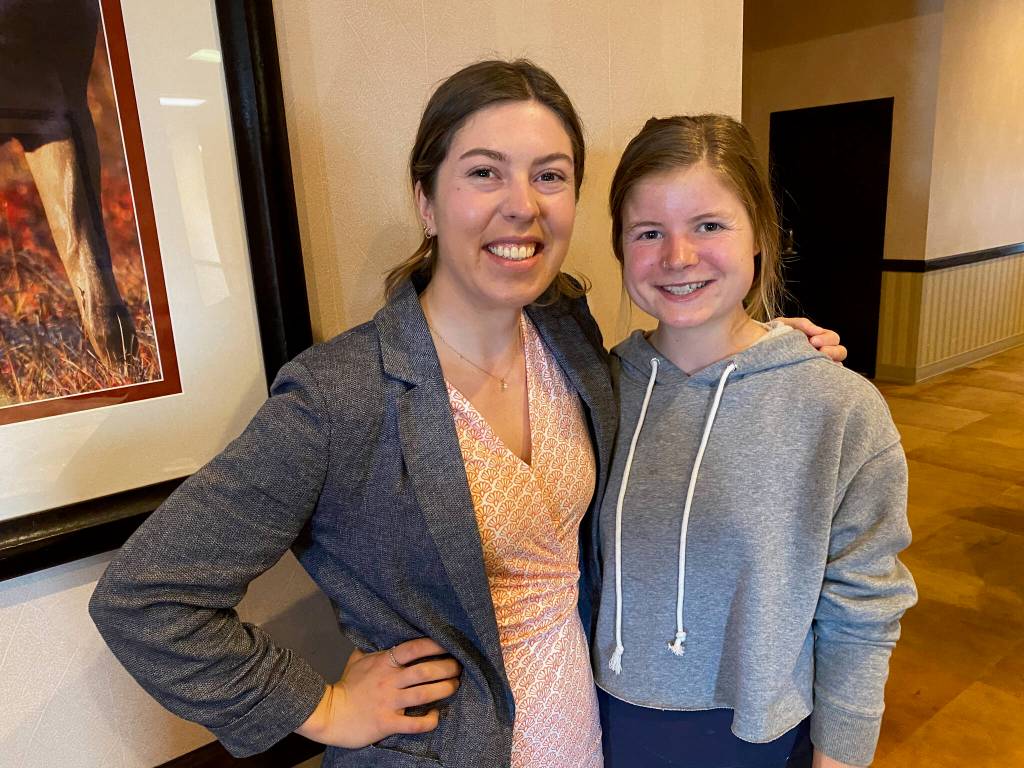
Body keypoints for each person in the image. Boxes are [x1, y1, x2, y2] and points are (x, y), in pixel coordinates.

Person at [90, 61, 844, 768]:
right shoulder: (341, 395)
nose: (523, 203)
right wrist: (322, 708)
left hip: (589, 734)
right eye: (484, 172)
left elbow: (660, 379)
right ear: (426, 197)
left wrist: (763, 349)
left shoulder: (565, 328)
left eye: (550, 175)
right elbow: (146, 599)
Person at [592, 114, 917, 768]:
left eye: (709, 225)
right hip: (597, 722)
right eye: (649, 232)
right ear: (621, 247)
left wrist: (843, 754)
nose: (678, 257)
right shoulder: (590, 390)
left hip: (757, 737)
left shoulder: (840, 407)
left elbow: (864, 604)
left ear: (762, 236)